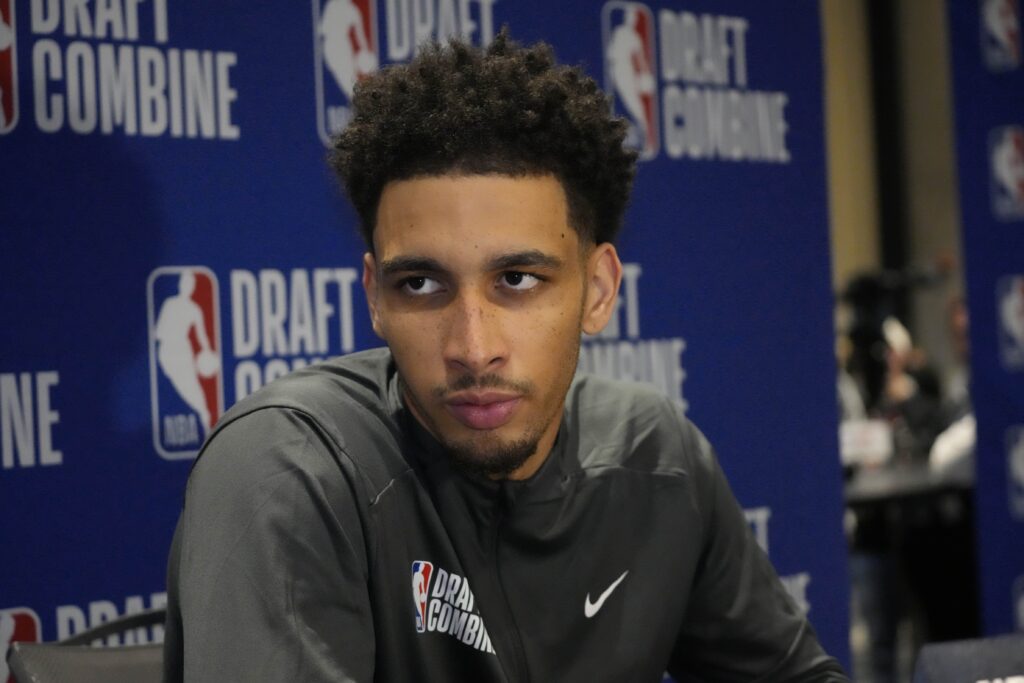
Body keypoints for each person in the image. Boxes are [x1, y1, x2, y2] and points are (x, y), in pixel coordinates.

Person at [163, 32, 848, 681]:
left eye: (517, 280)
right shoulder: (290, 467)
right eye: (421, 284)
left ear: (600, 289)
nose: (473, 347)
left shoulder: (655, 459)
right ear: (375, 296)